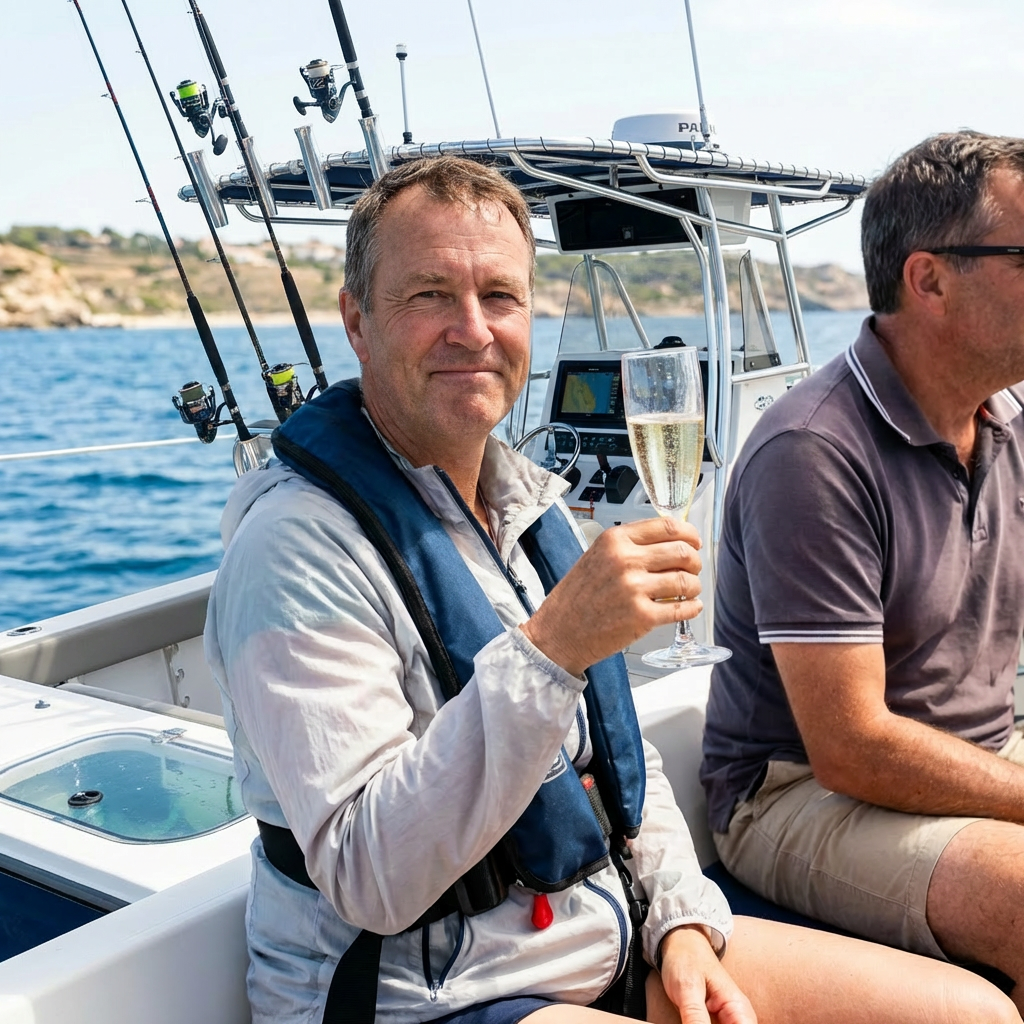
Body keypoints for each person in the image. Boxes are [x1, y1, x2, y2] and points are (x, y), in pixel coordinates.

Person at [205, 155, 1017, 1024]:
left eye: (501, 297)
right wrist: (552, 648)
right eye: (430, 295)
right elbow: (371, 876)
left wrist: (681, 920)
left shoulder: (527, 507)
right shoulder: (292, 550)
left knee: (967, 1016)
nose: (473, 330)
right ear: (357, 322)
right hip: (426, 992)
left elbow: (623, 765)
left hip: (604, 938)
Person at [702, 130, 1024, 1011]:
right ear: (929, 280)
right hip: (795, 792)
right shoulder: (813, 452)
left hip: (974, 753)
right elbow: (850, 746)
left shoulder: (1004, 422)